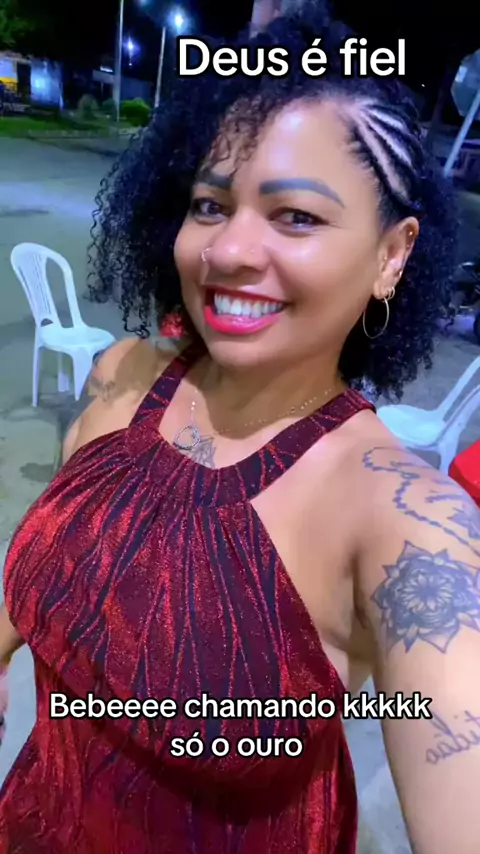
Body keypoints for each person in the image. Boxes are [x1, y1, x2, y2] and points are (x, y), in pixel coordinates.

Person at [0, 2, 479, 852]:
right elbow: (53, 557)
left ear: (392, 254)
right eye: (211, 205)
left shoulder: (406, 522)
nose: (226, 252)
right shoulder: (123, 377)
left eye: (296, 216)